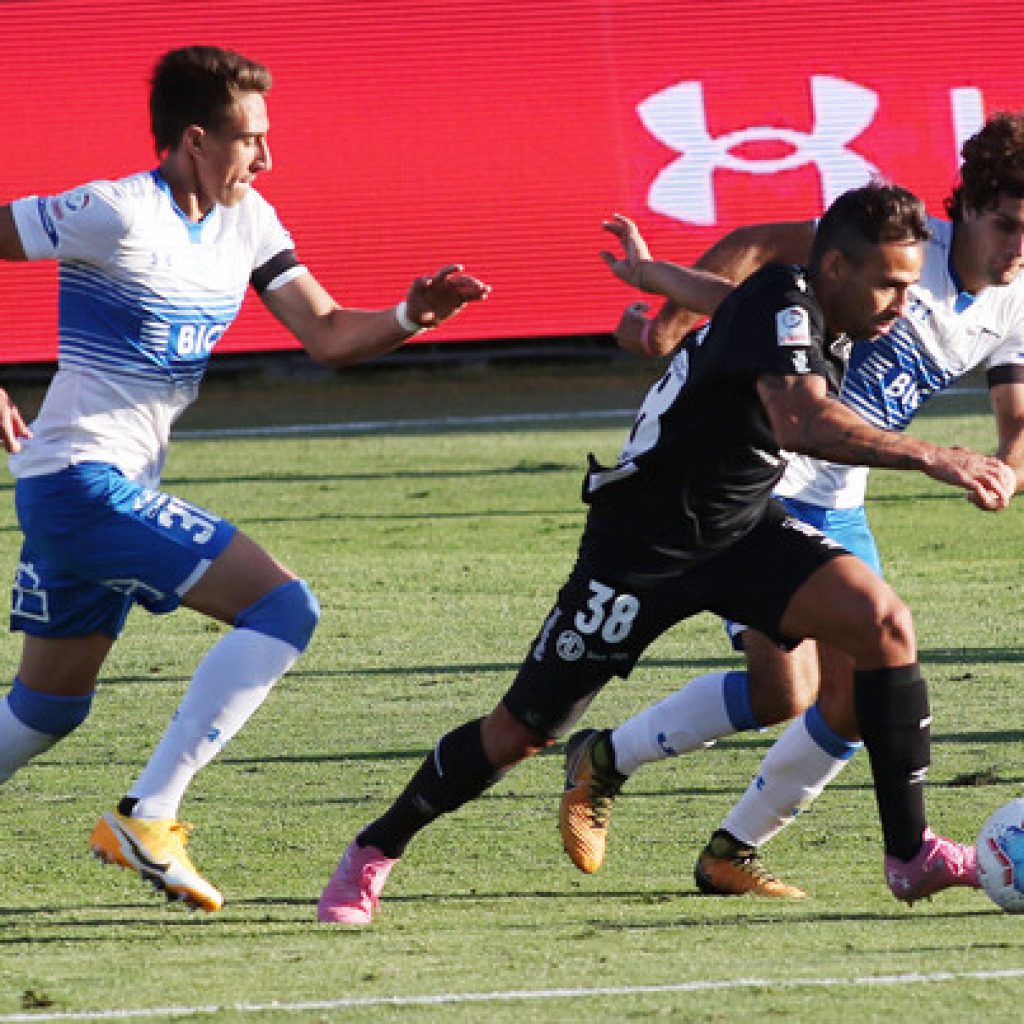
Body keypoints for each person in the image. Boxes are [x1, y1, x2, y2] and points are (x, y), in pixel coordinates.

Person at [317, 182, 1016, 926]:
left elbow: (724, 298)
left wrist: (653, 277)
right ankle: (374, 848)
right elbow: (802, 421)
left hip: (744, 529)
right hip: (643, 547)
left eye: (910, 286)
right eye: (891, 285)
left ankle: (910, 855)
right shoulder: (788, 303)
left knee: (883, 625)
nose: (904, 304)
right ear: (837, 267)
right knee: (518, 733)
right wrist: (937, 456)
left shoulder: (814, 308)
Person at [0, 45, 490, 912]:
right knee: (284, 608)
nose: (267, 157)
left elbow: (329, 334)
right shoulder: (115, 212)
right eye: (250, 138)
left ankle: (145, 814)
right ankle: (148, 815)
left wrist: (412, 314)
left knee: (46, 711)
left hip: (85, 489)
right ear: (196, 140)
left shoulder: (249, 220)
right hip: (81, 482)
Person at [560, 112, 1024, 899]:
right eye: (1007, 224)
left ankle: (728, 849)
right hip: (759, 484)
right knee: (791, 688)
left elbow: (1018, 421)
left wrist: (1007, 470)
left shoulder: (1016, 304)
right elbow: (757, 259)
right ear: (971, 205)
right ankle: (604, 759)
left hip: (841, 498)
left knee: (842, 700)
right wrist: (667, 316)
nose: (1018, 246)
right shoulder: (901, 247)